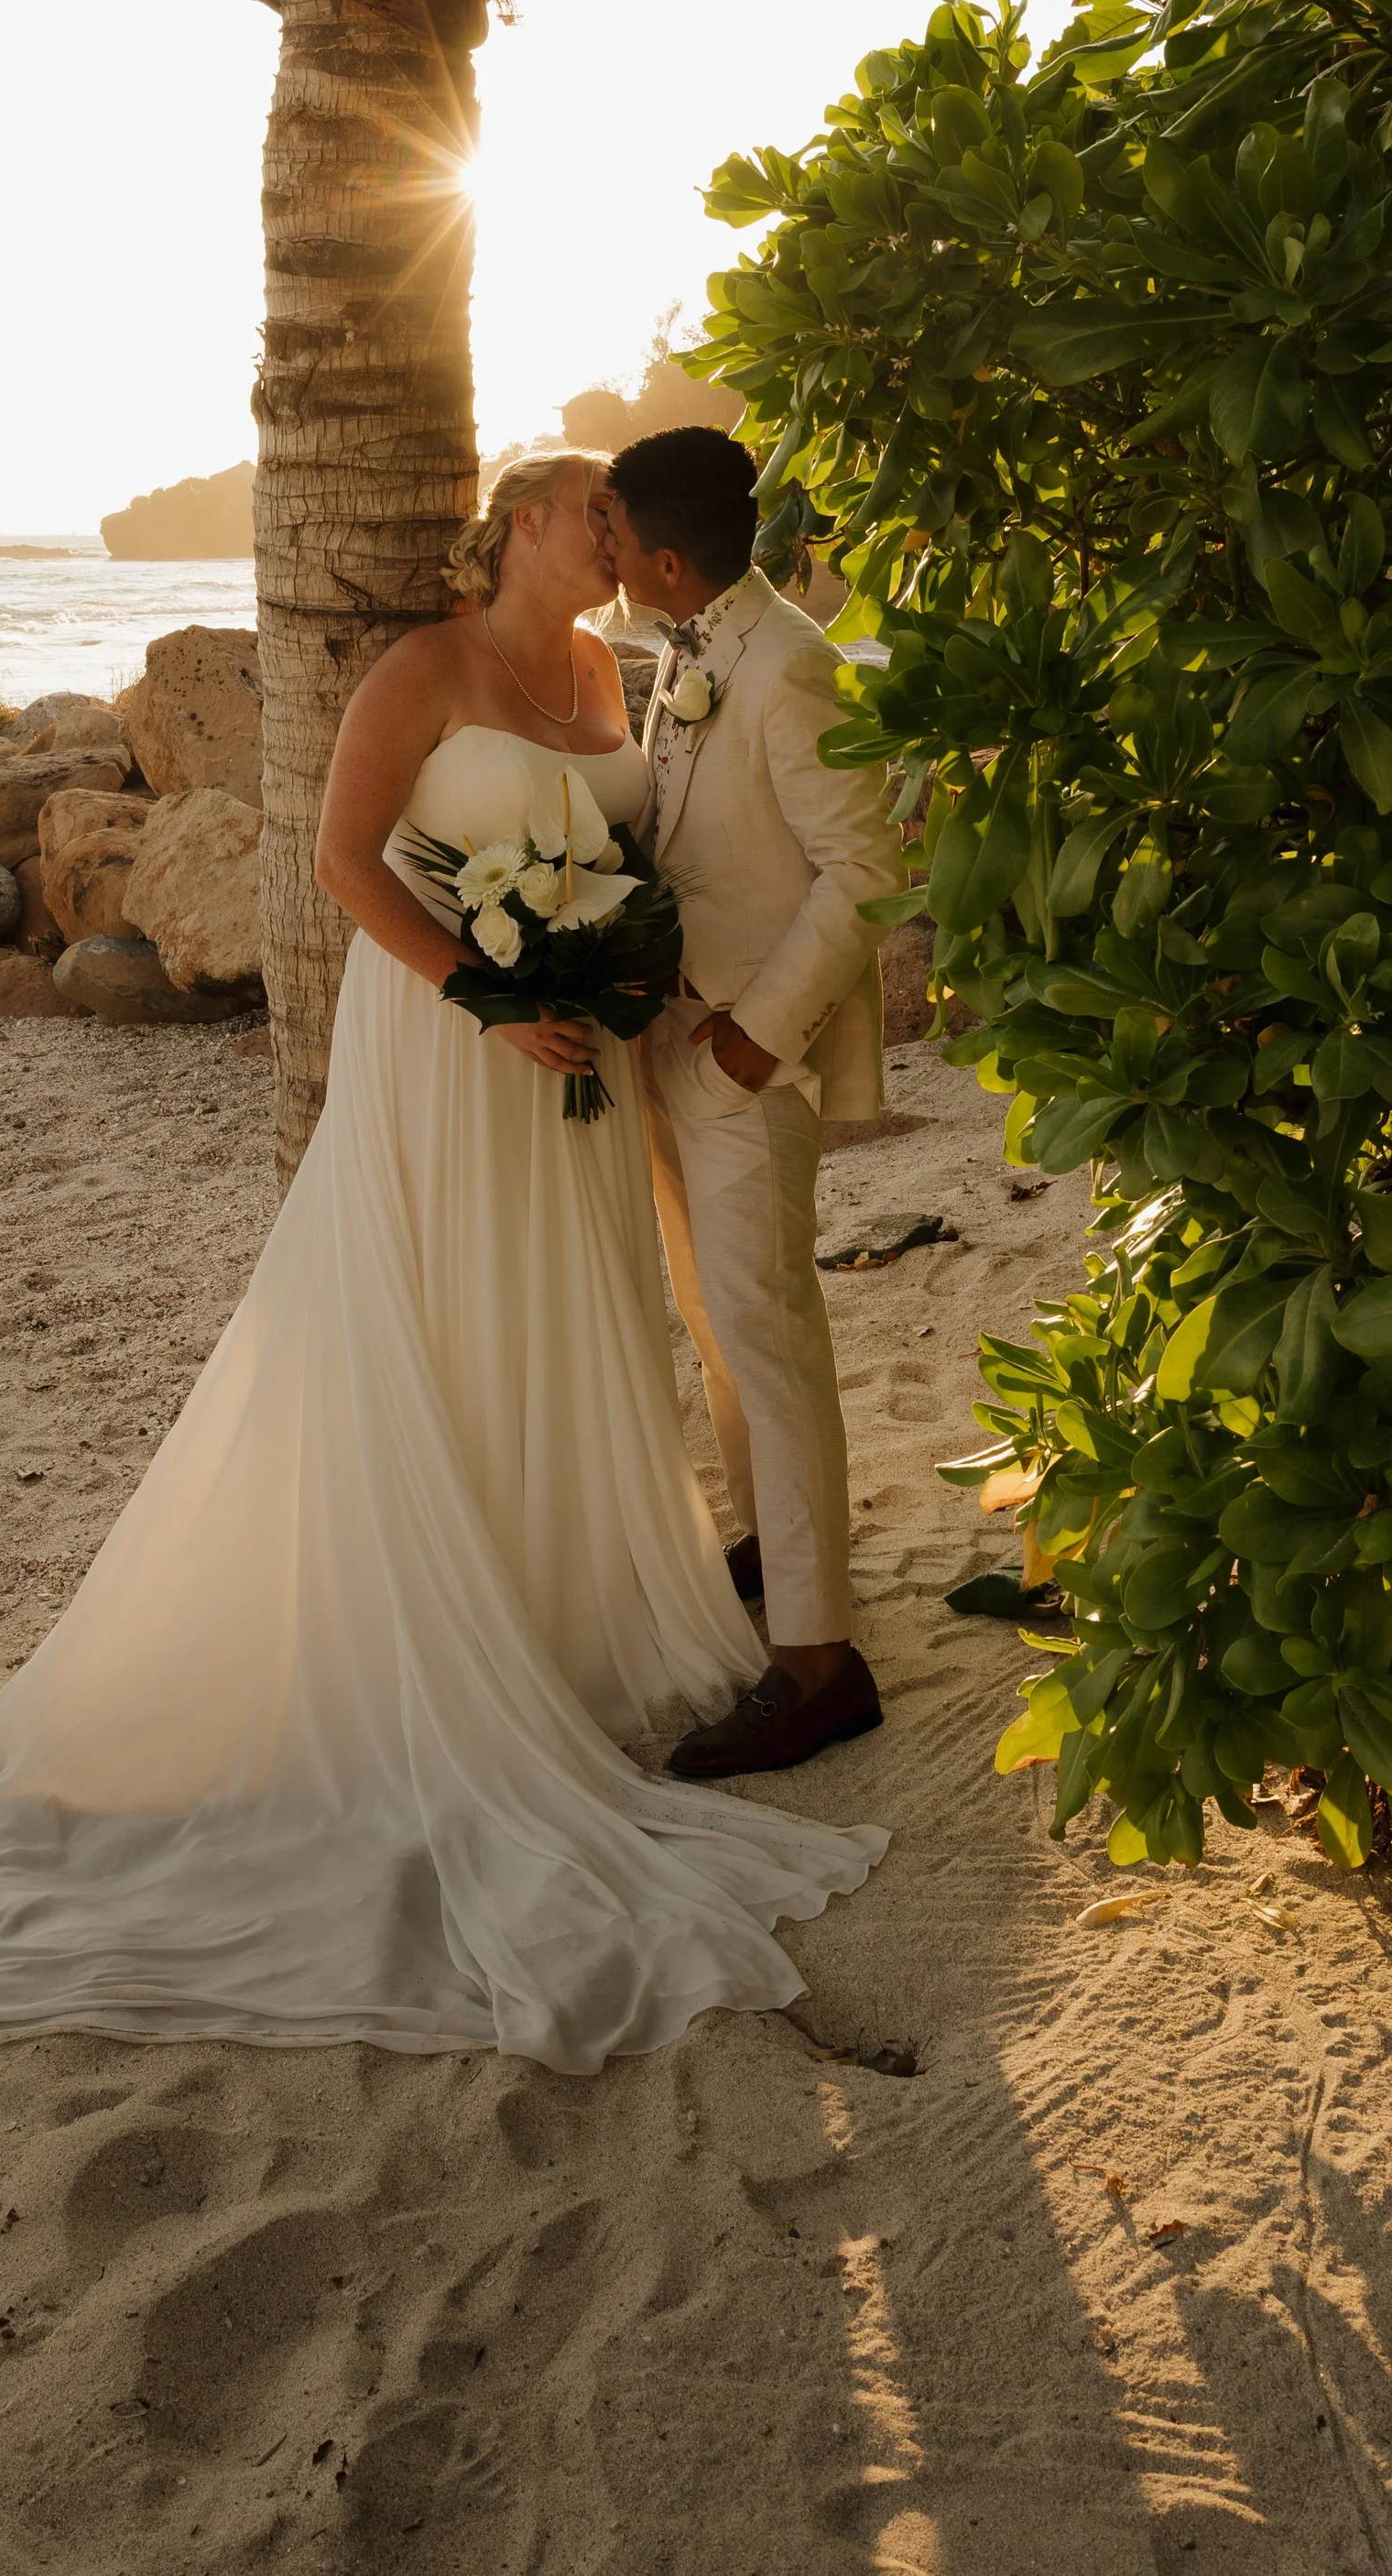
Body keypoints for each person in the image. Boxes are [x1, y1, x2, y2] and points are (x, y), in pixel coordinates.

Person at [0, 453, 881, 2074]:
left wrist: (609, 981)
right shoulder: (421, 668)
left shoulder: (620, 674)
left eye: (621, 518)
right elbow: (348, 866)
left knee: (578, 1323)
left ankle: (572, 1603)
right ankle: (447, 1628)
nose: (610, 531)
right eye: (583, 508)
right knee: (443, 1323)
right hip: (452, 1049)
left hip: (588, 1056)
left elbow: (667, 860)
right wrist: (491, 993)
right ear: (518, 532)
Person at [595, 428, 903, 1781]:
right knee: (720, 1323)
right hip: (670, 1037)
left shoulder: (789, 666)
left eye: (612, 534)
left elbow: (864, 871)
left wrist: (755, 1040)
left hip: (742, 1057)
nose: (599, 552)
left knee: (768, 1336)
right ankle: (778, 1548)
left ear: (666, 556)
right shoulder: (686, 648)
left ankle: (821, 1665)